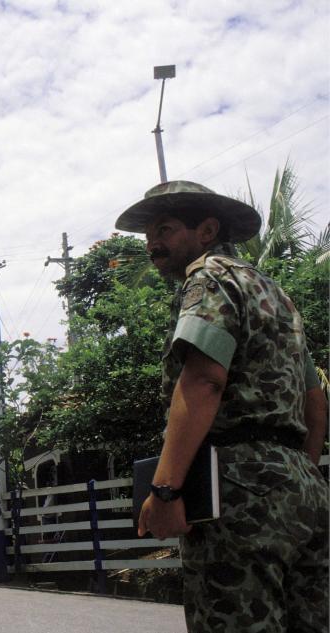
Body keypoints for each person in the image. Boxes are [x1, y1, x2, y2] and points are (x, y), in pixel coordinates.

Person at [117, 180, 328, 632]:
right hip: (305, 490)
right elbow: (315, 403)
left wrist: (167, 490)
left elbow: (204, 381)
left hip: (235, 489)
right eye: (149, 234)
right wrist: (297, 479)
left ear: (207, 230)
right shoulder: (280, 300)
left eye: (166, 229)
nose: (153, 243)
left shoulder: (210, 277)